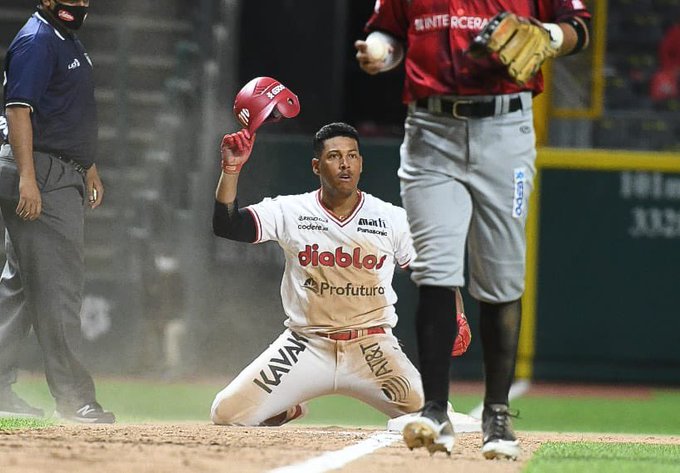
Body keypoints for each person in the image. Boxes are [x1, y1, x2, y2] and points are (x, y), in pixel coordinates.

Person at [355, 0, 590, 459]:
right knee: (435, 270)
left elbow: (579, 26)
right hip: (430, 133)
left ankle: (496, 413)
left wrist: (549, 36)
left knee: (500, 278)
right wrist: (381, 52)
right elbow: (390, 34)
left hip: (506, 130)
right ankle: (436, 410)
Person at [210, 120, 470, 426]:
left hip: (372, 348)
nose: (345, 164)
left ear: (360, 163)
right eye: (334, 156)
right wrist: (231, 170)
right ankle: (289, 405)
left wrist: (457, 316)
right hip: (305, 343)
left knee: (437, 419)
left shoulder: (391, 219)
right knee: (225, 413)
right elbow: (227, 225)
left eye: (353, 156)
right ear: (316, 166)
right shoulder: (292, 211)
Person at [0, 0, 114, 423]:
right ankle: (74, 398)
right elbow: (18, 109)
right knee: (59, 290)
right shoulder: (37, 39)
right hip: (41, 173)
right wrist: (27, 178)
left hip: (60, 168)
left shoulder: (65, 38)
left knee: (19, 288)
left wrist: (88, 167)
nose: (80, 3)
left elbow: (69, 114)